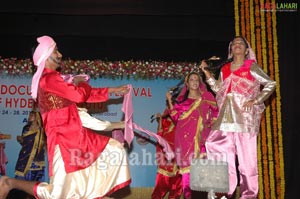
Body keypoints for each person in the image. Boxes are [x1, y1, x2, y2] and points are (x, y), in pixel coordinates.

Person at [0, 35, 131, 199]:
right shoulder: (48, 79)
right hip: (64, 142)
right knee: (56, 194)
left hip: (77, 139)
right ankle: (9, 183)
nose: (60, 55)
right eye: (56, 51)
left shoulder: (52, 80)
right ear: (46, 55)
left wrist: (113, 91)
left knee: (114, 151)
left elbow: (83, 96)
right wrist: (78, 81)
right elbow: (79, 96)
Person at [200, 36, 276, 199]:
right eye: (234, 43)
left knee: (247, 162)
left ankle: (248, 195)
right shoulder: (225, 68)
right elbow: (219, 89)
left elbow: (270, 84)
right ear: (230, 50)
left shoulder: (252, 66)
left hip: (244, 119)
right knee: (213, 144)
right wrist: (207, 73)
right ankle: (222, 192)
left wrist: (256, 100)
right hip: (226, 118)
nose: (237, 45)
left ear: (247, 50)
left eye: (241, 43)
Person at [166, 72, 218, 199]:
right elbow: (176, 118)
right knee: (188, 179)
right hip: (185, 142)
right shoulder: (181, 102)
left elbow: (216, 113)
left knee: (205, 178)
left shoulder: (206, 97)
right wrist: (169, 100)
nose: (194, 81)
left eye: (197, 79)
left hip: (203, 141)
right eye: (191, 80)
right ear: (187, 84)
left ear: (200, 82)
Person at [151, 107, 182, 199]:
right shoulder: (165, 125)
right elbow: (159, 135)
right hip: (166, 163)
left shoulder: (182, 126)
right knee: (158, 192)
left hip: (179, 165)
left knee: (176, 191)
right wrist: (160, 119)